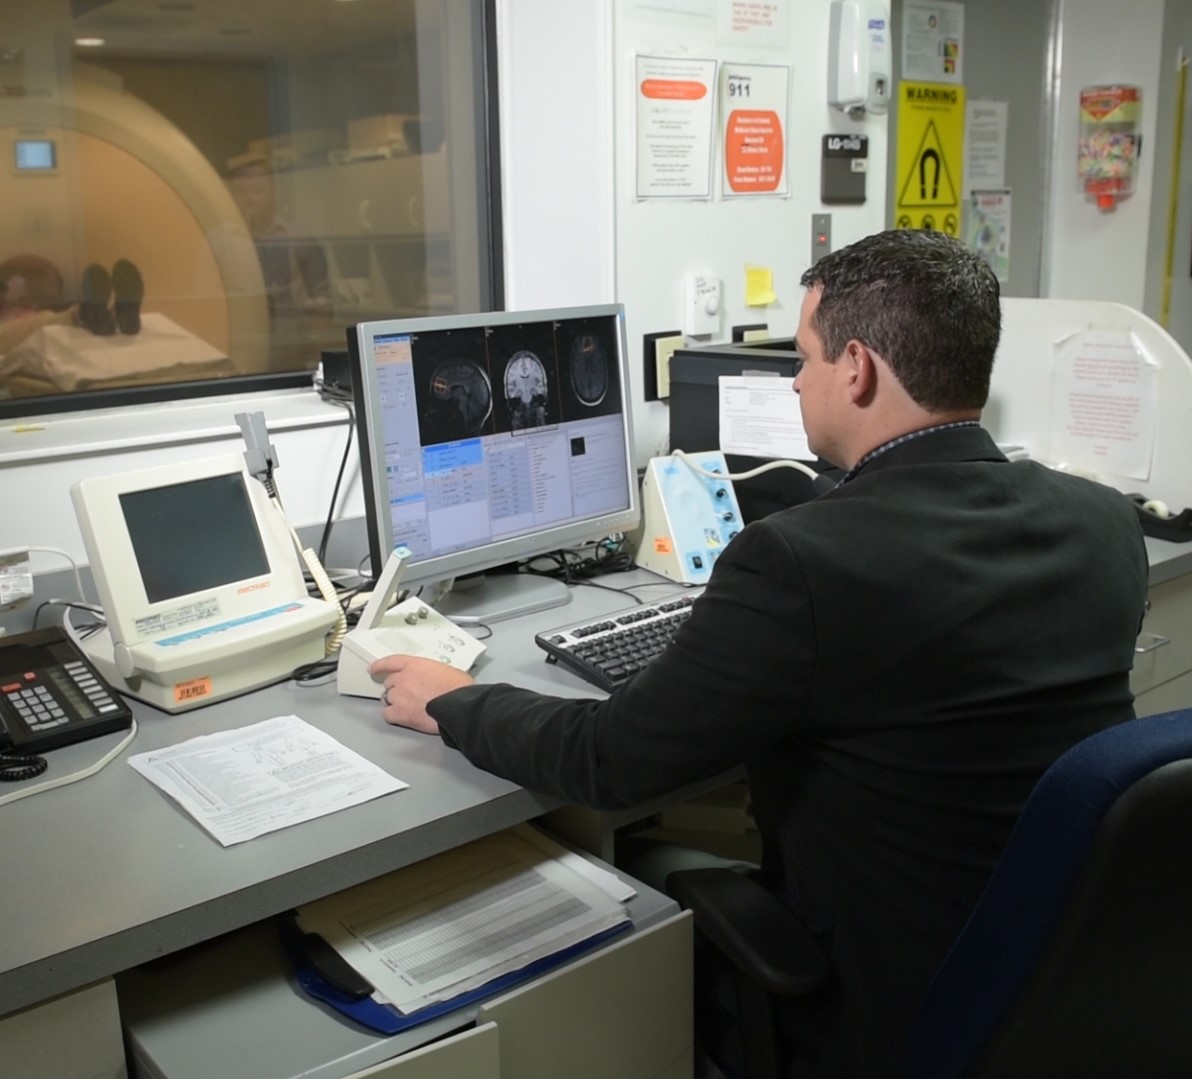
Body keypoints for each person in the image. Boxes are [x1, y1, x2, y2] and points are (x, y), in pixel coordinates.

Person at [370, 228, 1148, 1077]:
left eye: (803, 360)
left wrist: (451, 698)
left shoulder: (804, 560)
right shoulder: (1102, 521)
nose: (798, 381)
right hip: (1060, 968)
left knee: (645, 862)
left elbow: (609, 760)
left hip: (887, 1001)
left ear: (855, 368)